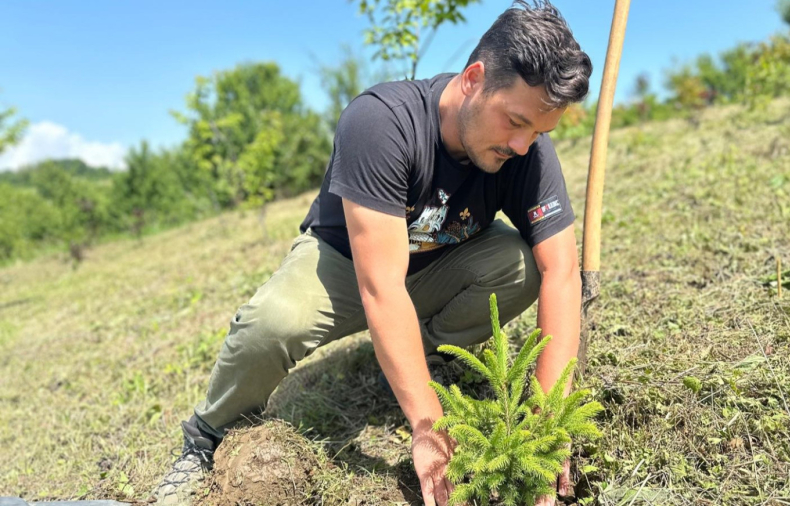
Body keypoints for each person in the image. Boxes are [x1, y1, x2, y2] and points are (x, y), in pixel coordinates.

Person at [154, 1, 592, 504]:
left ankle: (416, 360)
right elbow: (379, 286)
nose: (522, 144)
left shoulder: (527, 149)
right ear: (474, 78)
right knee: (270, 324)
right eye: (514, 121)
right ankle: (205, 437)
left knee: (520, 265)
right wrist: (429, 427)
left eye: (539, 131)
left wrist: (546, 429)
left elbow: (561, 271)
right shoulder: (381, 122)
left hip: (436, 265)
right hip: (346, 266)